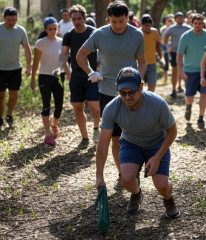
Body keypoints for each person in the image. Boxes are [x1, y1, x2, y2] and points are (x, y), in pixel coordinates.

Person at [77, 0, 146, 190]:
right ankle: (122, 175)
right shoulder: (99, 34)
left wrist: (139, 80)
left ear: (128, 18)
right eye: (114, 21)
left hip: (132, 92)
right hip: (108, 92)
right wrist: (91, 72)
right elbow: (80, 55)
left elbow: (142, 62)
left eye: (122, 21)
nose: (118, 26)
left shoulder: (136, 35)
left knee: (134, 136)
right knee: (116, 138)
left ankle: (134, 171)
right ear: (109, 19)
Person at [95, 66, 180, 219]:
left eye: (132, 92)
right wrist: (99, 176)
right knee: (126, 178)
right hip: (131, 143)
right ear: (116, 89)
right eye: (123, 93)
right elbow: (103, 143)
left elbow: (172, 131)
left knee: (161, 185)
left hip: (157, 144)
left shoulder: (157, 103)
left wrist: (157, 157)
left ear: (141, 86)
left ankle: (168, 199)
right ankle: (136, 194)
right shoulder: (111, 108)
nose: (127, 97)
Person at [61, 4, 100, 149]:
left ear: (84, 18)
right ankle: (84, 137)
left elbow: (102, 52)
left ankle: (96, 128)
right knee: (78, 107)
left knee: (95, 107)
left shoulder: (94, 32)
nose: (76, 21)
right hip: (76, 76)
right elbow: (64, 55)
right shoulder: (69, 35)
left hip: (92, 76)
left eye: (79, 18)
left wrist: (100, 68)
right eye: (74, 19)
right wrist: (67, 72)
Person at [30, 17, 64, 145]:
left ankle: (54, 124)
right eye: (50, 29)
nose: (53, 31)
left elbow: (64, 60)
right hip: (44, 76)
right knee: (46, 105)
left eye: (55, 29)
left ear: (58, 29)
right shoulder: (40, 43)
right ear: (46, 29)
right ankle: (47, 135)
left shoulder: (62, 41)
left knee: (59, 105)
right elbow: (36, 62)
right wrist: (32, 78)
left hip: (58, 76)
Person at [177, 13, 206, 128]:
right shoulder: (186, 36)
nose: (197, 25)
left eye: (200, 23)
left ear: (203, 24)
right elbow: (179, 55)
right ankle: (189, 107)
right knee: (189, 95)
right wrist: (180, 71)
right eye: (195, 23)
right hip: (190, 70)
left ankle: (201, 117)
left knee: (204, 94)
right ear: (191, 23)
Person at [0, 7, 31, 129]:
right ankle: (0, 118)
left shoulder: (20, 31)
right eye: (9, 20)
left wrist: (29, 66)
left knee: (14, 94)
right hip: (0, 69)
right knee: (1, 95)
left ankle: (9, 115)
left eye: (14, 20)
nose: (12, 22)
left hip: (15, 68)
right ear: (4, 18)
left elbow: (27, 49)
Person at [164, 11, 190, 98]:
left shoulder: (187, 28)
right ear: (175, 19)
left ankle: (184, 87)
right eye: (178, 18)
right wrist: (167, 46)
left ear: (183, 18)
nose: (179, 19)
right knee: (175, 70)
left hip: (186, 52)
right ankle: (173, 89)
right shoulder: (172, 28)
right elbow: (166, 36)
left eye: (181, 17)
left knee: (185, 70)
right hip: (175, 52)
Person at [141, 14, 163, 92]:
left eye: (149, 25)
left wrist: (161, 58)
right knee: (139, 84)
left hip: (152, 62)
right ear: (142, 25)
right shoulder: (138, 33)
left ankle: (149, 100)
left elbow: (158, 45)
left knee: (152, 84)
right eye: (146, 26)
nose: (148, 28)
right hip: (140, 63)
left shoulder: (154, 32)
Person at [159, 14, 173, 84]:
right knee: (166, 63)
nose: (170, 22)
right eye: (168, 20)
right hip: (164, 47)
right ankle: (165, 79)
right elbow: (161, 38)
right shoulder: (163, 29)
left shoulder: (174, 28)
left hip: (173, 47)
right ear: (166, 21)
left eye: (171, 21)